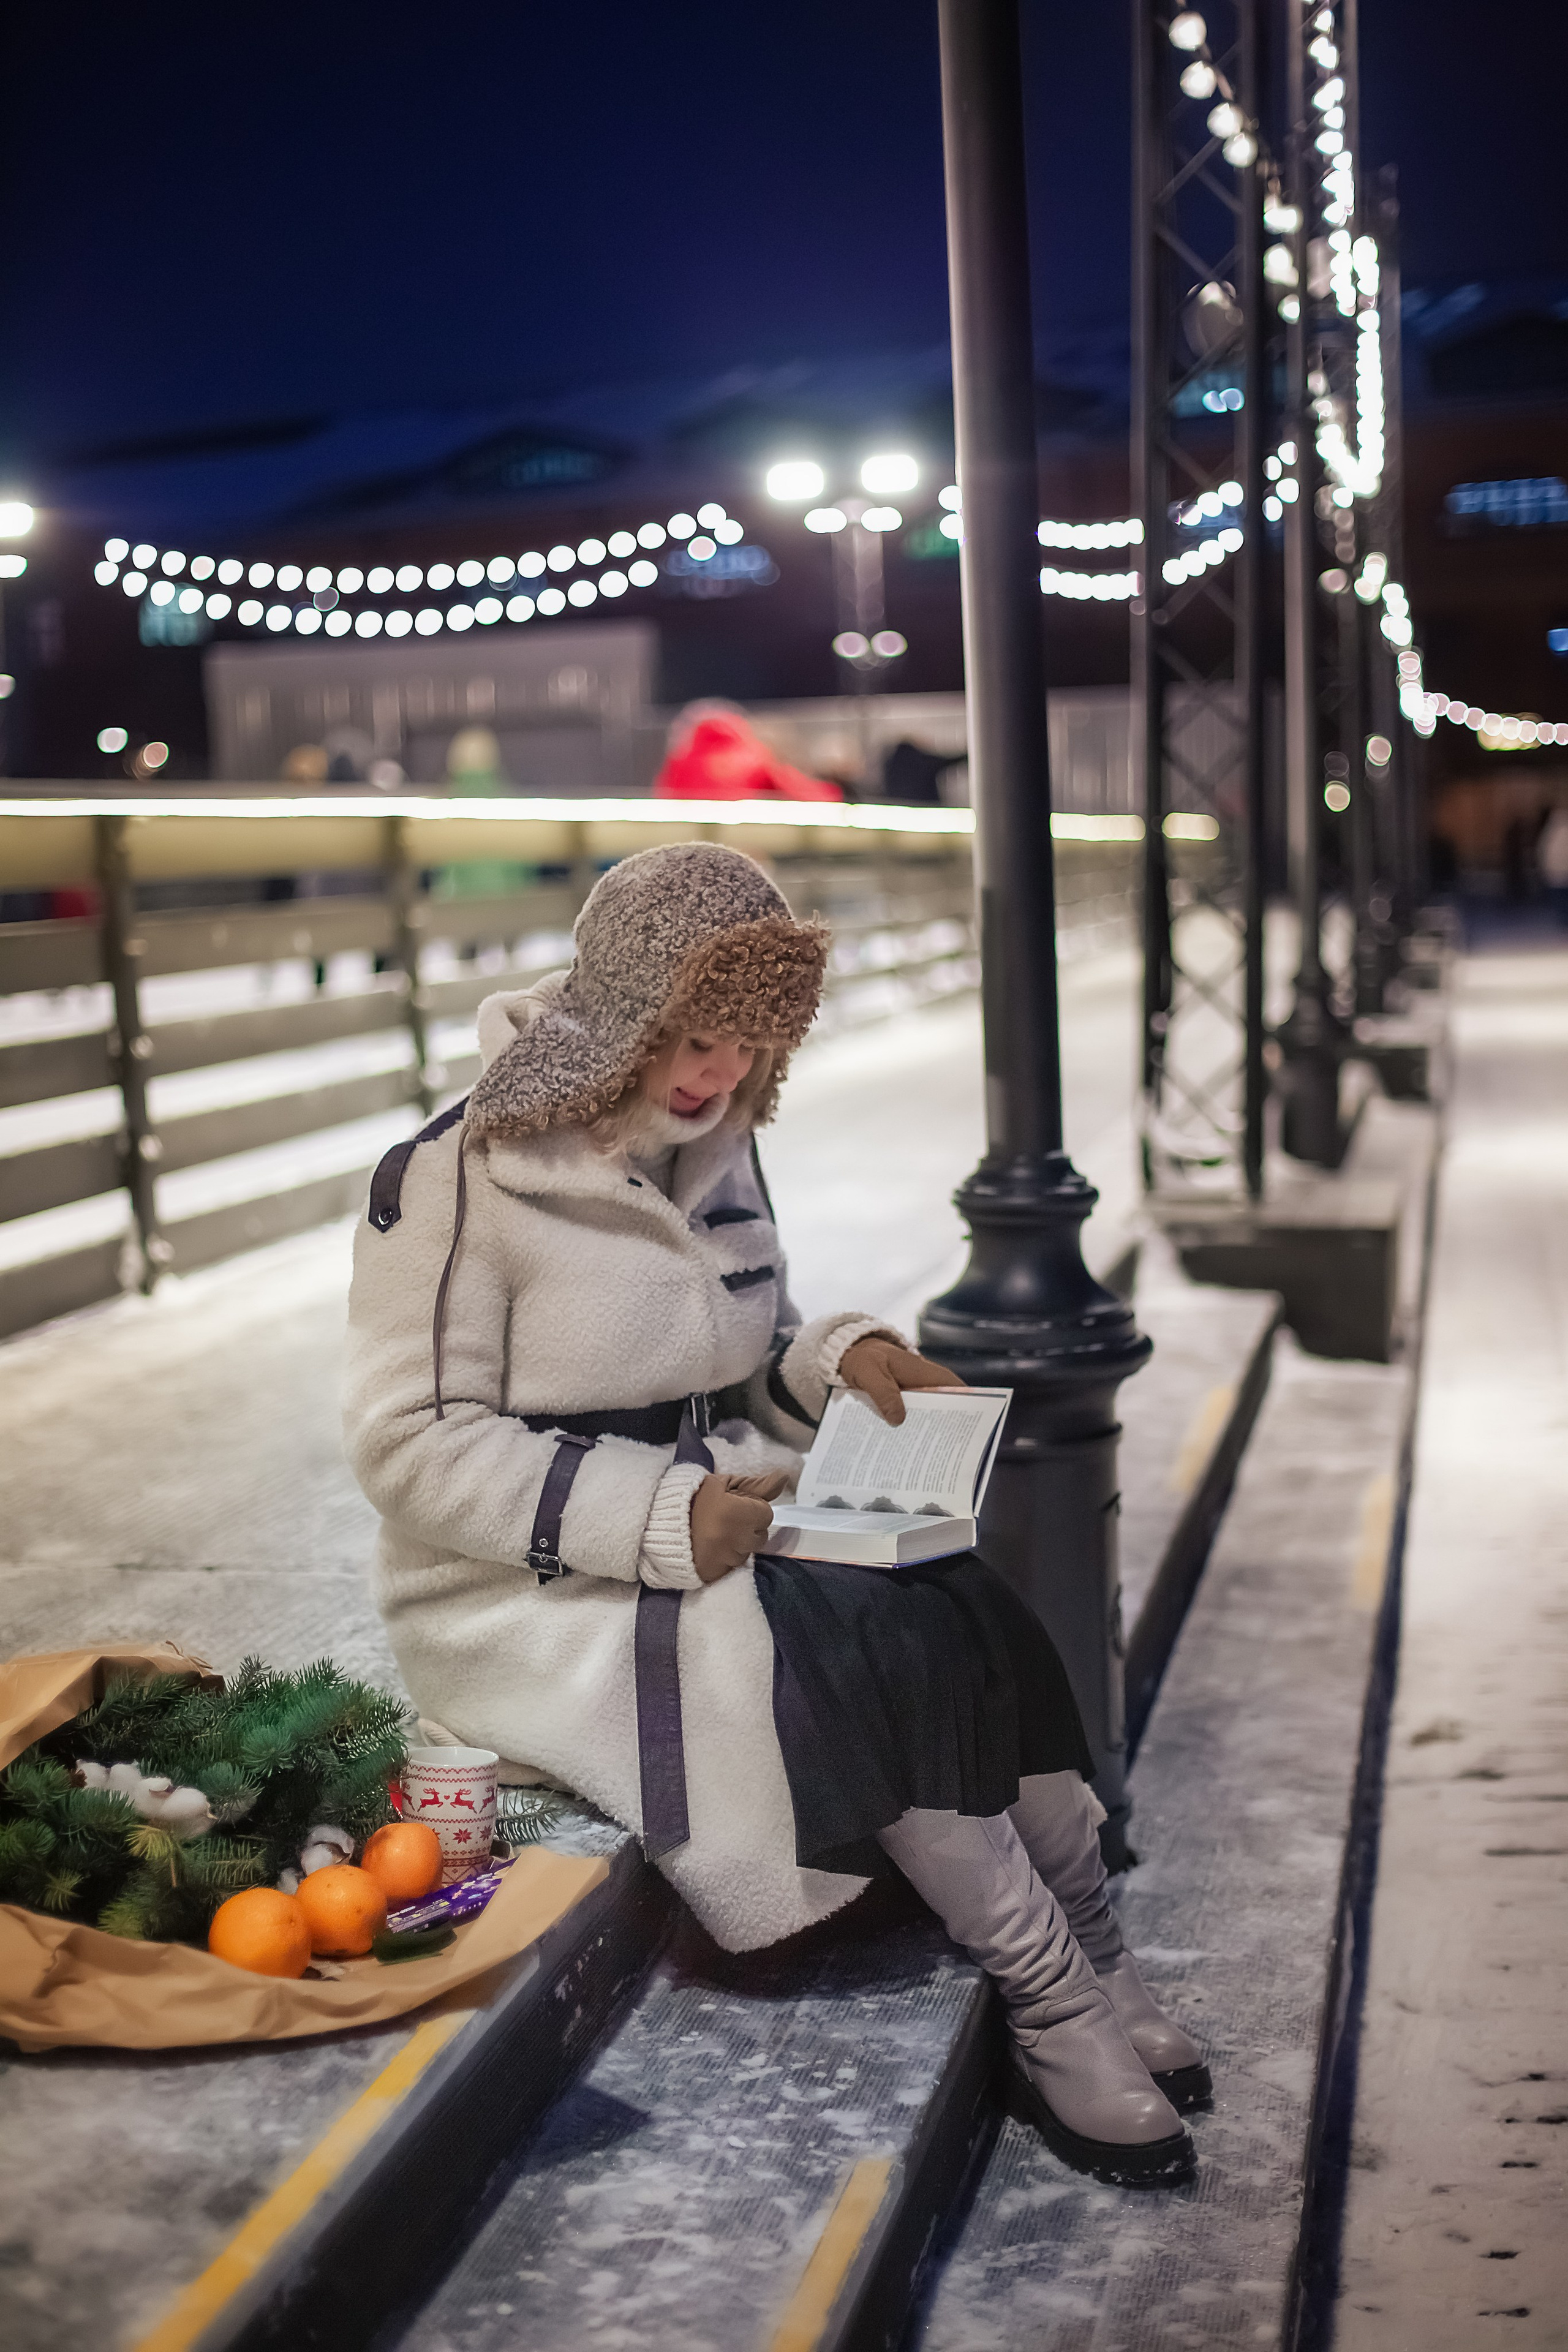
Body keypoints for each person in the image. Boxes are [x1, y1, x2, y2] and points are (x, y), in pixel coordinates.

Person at [342, 843, 1205, 2185]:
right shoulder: (455, 1180)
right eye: (692, 1040)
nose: (715, 1076)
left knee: (966, 1602)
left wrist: (844, 1358)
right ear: (618, 1016)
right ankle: (1052, 2006)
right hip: (532, 1583)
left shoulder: (716, 1146)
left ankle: (1097, 1952)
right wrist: (660, 1516)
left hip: (724, 1507)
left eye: (745, 1049)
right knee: (860, 1637)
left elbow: (749, 1348)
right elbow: (409, 1447)